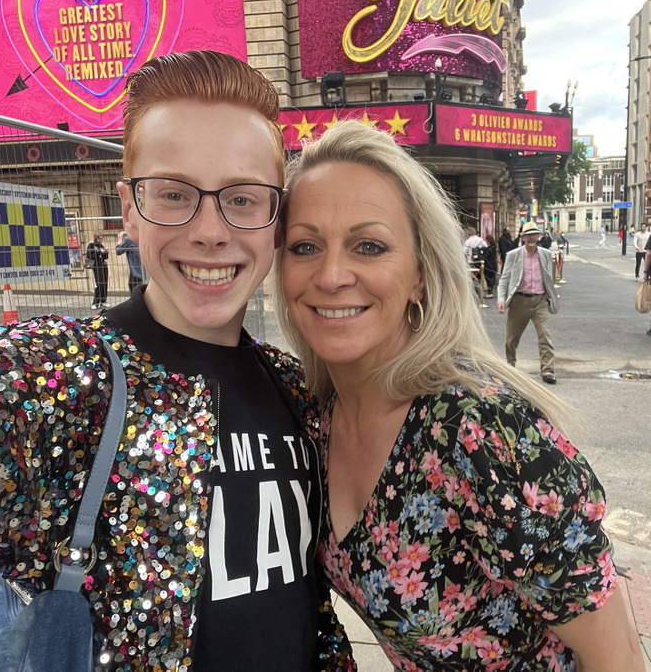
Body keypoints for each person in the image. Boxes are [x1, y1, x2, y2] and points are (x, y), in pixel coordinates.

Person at [0, 51, 352, 671]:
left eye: (243, 198)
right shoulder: (49, 377)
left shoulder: (295, 385)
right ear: (128, 207)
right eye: (174, 194)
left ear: (276, 218)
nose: (210, 230)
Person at [274, 120, 643, 671]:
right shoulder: (315, 413)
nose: (331, 275)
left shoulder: (481, 432)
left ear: (420, 274)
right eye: (305, 246)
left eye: (368, 246)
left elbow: (619, 659)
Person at [497, 221, 559, 384]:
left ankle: (548, 370)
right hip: (519, 301)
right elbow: (504, 279)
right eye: (528, 235)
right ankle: (510, 365)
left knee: (545, 336)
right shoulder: (513, 255)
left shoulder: (545, 254)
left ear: (539, 236)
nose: (531, 237)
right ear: (523, 237)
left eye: (534, 234)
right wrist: (501, 299)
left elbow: (549, 276)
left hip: (540, 301)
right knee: (511, 339)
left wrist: (550, 295)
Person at [86, 233, 109, 308]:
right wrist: (99, 252)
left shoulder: (101, 245)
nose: (101, 240)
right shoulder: (91, 245)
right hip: (96, 266)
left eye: (102, 239)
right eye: (100, 238)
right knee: (99, 283)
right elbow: (90, 255)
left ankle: (103, 300)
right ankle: (95, 302)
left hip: (103, 265)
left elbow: (104, 257)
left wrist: (105, 252)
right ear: (96, 238)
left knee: (104, 283)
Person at [481, 232, 497, 298]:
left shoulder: (488, 249)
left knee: (488, 278)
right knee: (491, 278)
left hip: (488, 265)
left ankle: (490, 293)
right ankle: (490, 291)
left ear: (487, 240)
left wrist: (480, 256)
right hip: (493, 264)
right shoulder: (494, 247)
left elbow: (485, 257)